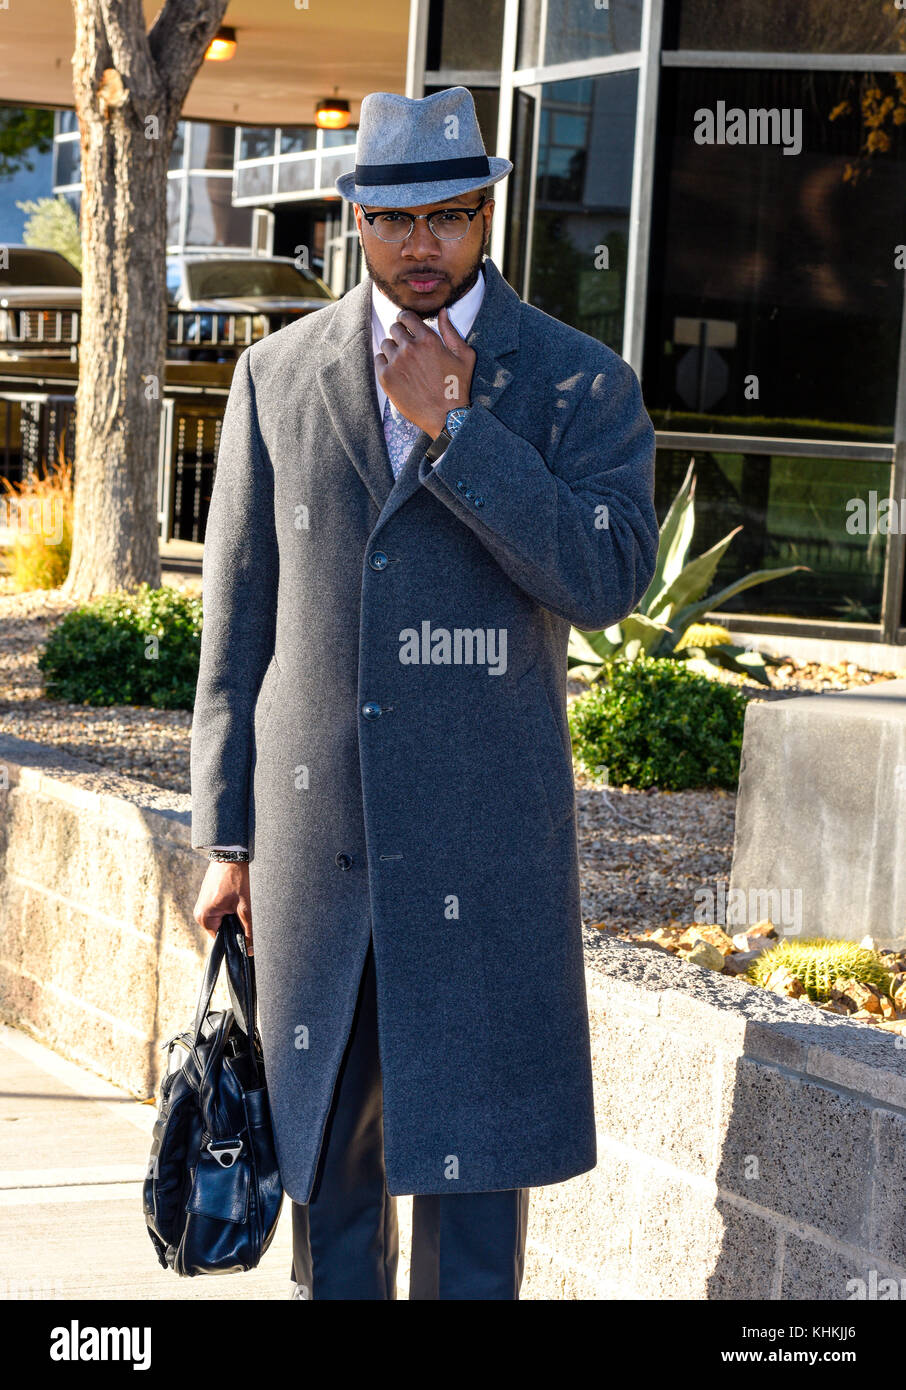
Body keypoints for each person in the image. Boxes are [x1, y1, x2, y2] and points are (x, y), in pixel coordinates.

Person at [191, 85, 659, 1300]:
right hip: (319, 853)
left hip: (482, 856)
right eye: (395, 220)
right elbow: (237, 628)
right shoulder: (275, 376)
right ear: (354, 218)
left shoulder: (576, 385)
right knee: (332, 1202)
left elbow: (607, 574)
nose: (421, 246)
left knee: (472, 1211)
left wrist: (460, 430)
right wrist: (225, 837)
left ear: (490, 213)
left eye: (449, 216)